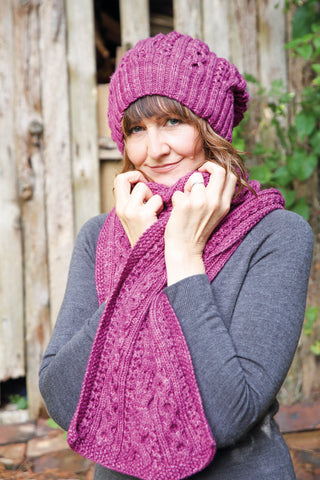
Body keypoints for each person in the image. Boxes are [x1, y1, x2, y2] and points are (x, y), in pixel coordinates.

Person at [39, 31, 313, 480]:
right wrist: (142, 262)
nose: (154, 150)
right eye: (136, 130)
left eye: (171, 122)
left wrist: (182, 255)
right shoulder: (101, 237)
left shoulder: (276, 235)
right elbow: (63, 400)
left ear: (210, 128)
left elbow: (230, 415)